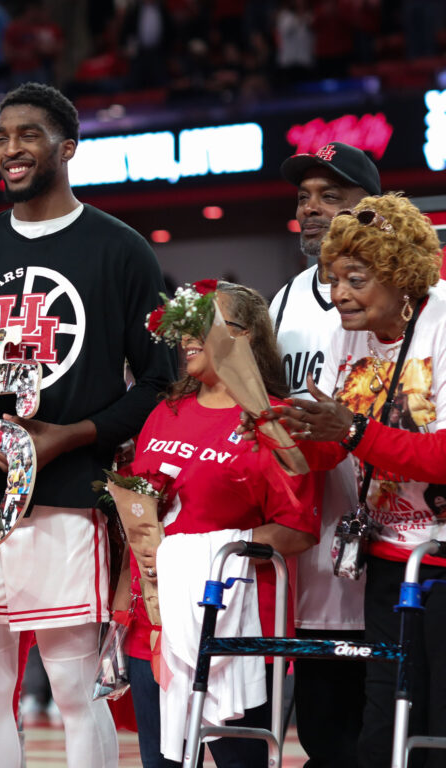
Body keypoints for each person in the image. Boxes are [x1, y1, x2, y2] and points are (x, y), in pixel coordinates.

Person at [0, 82, 177, 768]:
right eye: (1, 137)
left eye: (27, 134)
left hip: (68, 496)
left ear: (68, 147)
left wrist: (75, 434)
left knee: (74, 683)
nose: (11, 149)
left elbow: (158, 382)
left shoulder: (121, 251)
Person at [257, 193, 446, 768]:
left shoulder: (442, 324)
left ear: (400, 276)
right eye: (333, 278)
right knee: (383, 732)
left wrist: (354, 431)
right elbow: (332, 453)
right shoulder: (348, 334)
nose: (338, 294)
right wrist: (282, 434)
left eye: (355, 279)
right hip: (389, 561)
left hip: (438, 559)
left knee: (431, 733)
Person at [128, 282, 320, 767]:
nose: (187, 336)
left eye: (203, 323)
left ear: (245, 336)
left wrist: (201, 554)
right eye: (184, 327)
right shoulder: (163, 414)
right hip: (156, 627)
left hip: (240, 632)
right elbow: (138, 512)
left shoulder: (273, 420)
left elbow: (296, 529)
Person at [270, 140, 379, 768]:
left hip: (393, 532)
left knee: (389, 724)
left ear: (372, 207)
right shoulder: (283, 301)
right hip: (314, 542)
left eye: (330, 197)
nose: (312, 209)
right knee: (323, 730)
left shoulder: (414, 296)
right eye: (305, 197)